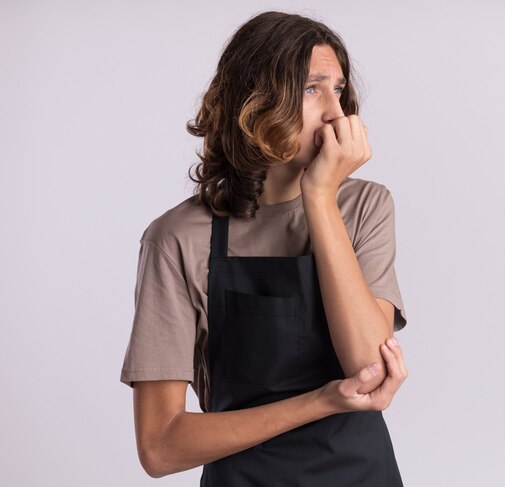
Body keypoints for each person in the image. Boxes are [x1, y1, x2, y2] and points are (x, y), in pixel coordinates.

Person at [120, 10, 409, 486]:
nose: (336, 112)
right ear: (254, 103)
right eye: (312, 88)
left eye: (338, 90)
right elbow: (159, 446)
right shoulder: (177, 237)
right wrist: (322, 400)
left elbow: (369, 368)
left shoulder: (364, 207)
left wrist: (319, 197)